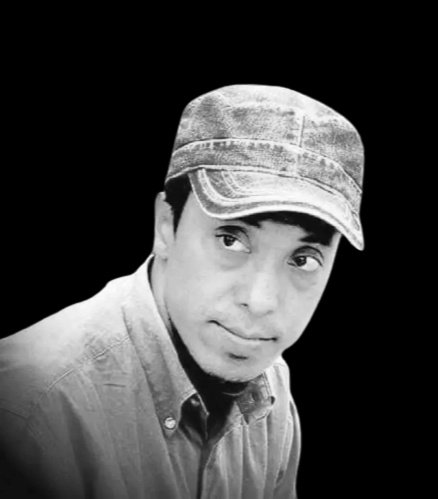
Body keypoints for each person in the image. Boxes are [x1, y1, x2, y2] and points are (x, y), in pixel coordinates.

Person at [0, 84, 365, 498]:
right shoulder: (24, 409)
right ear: (165, 226)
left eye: (303, 259)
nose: (261, 302)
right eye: (231, 239)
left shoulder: (272, 386)